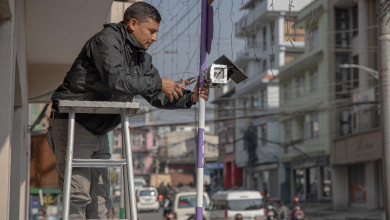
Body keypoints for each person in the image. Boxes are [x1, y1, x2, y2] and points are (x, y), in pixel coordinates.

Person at [46, 2, 210, 219]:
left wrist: (191, 98)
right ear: (133, 24)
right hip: (74, 123)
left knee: (102, 199)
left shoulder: (140, 56)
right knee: (78, 196)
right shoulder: (106, 41)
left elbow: (156, 95)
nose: (155, 38)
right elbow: (117, 81)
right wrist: (159, 84)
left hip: (100, 129)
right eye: (151, 31)